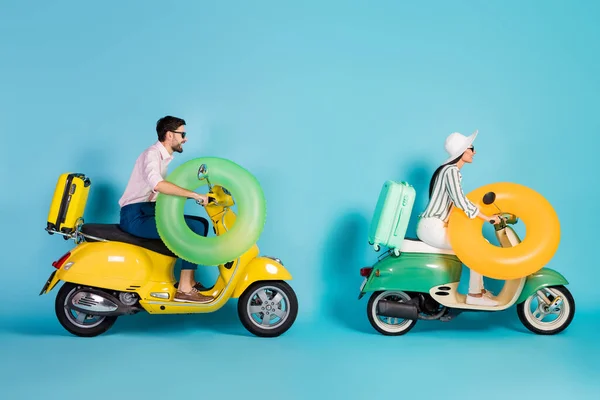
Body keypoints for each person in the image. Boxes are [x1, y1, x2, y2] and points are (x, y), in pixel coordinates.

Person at [118, 115, 214, 304]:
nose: (185, 139)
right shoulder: (152, 154)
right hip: (135, 215)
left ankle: (189, 280)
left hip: (148, 211)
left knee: (200, 223)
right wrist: (195, 195)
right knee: (191, 229)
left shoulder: (163, 158)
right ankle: (184, 290)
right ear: (170, 135)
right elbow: (158, 185)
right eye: (182, 134)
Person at [416, 130, 501, 306]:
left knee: (479, 242)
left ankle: (480, 291)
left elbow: (457, 203)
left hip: (434, 225)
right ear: (462, 152)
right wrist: (487, 218)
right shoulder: (451, 171)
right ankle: (475, 296)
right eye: (472, 148)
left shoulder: (447, 170)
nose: (474, 152)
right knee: (476, 247)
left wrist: (479, 214)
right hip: (432, 227)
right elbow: (460, 200)